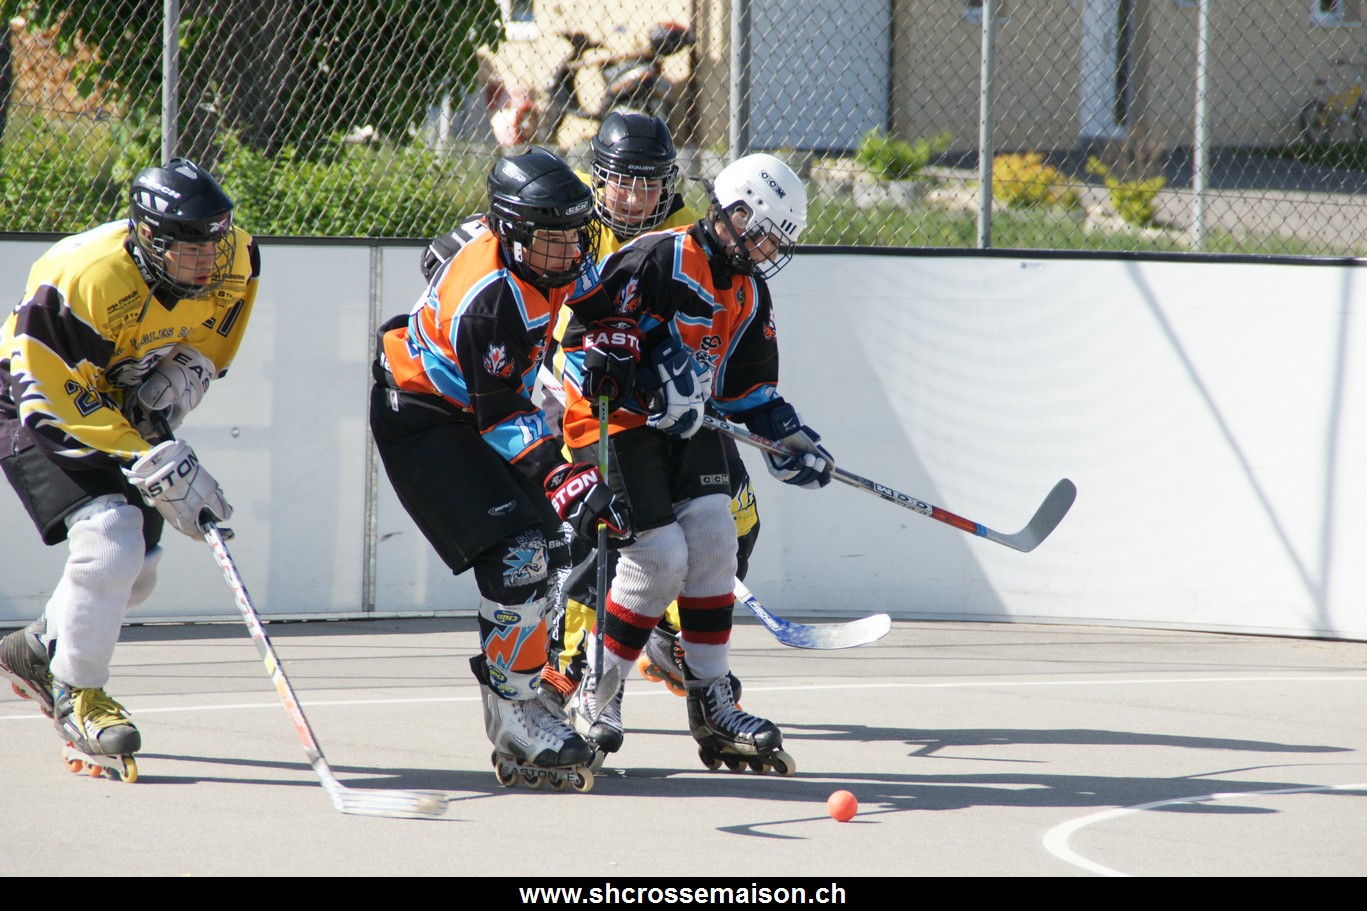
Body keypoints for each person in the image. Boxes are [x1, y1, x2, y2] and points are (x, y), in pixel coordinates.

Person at [417, 113, 762, 723]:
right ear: (597, 178)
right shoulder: (567, 208)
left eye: (649, 184)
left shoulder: (685, 232)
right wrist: (459, 246)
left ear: (670, 184)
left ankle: (668, 633)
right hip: (563, 388)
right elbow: (465, 249)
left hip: (655, 398)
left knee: (737, 514)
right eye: (621, 182)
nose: (633, 198)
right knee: (599, 527)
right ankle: (574, 664)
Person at [371, 147, 639, 791]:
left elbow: (595, 299)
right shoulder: (488, 298)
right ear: (512, 233)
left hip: (483, 406)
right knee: (518, 555)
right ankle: (512, 712)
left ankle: (532, 687)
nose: (568, 253)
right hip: (425, 417)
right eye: (552, 241)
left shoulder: (550, 250)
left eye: (575, 236)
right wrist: (563, 475)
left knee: (557, 545)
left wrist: (612, 335)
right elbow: (503, 419)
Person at [557, 152, 831, 774]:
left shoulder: (749, 291)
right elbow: (585, 337)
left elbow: (747, 392)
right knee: (658, 557)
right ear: (735, 213)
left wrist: (789, 438)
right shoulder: (659, 255)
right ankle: (596, 693)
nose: (768, 251)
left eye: (777, 242)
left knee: (715, 538)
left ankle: (712, 702)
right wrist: (648, 379)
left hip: (690, 428)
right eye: (764, 234)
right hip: (616, 424)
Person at [0, 158, 258, 780]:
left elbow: (218, 326)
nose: (207, 262)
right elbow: (50, 390)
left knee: (135, 571)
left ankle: (38, 648)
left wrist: (188, 371)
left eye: (213, 245)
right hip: (35, 398)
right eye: (189, 250)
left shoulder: (235, 256)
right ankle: (78, 694)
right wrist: (150, 459)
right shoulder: (81, 277)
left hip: (117, 399)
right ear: (147, 238)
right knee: (110, 536)